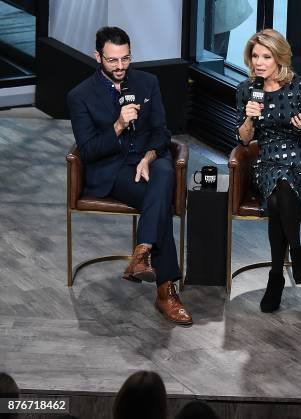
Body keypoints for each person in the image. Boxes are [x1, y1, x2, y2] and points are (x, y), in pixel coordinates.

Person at [67, 26, 192, 326]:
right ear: (98, 56)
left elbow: (162, 130)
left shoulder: (148, 83)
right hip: (113, 170)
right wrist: (119, 126)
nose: (120, 67)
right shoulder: (80, 96)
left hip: (149, 160)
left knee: (162, 173)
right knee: (159, 201)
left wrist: (148, 157)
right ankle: (166, 291)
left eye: (125, 59)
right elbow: (88, 151)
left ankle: (142, 254)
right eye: (112, 60)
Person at [235, 29, 301, 313]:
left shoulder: (300, 86)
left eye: (266, 56)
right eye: (255, 56)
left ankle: (276, 275)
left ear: (279, 58)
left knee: (279, 196)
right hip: (268, 160)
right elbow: (243, 140)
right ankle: (296, 255)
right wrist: (250, 118)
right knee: (278, 187)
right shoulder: (246, 89)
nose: (259, 62)